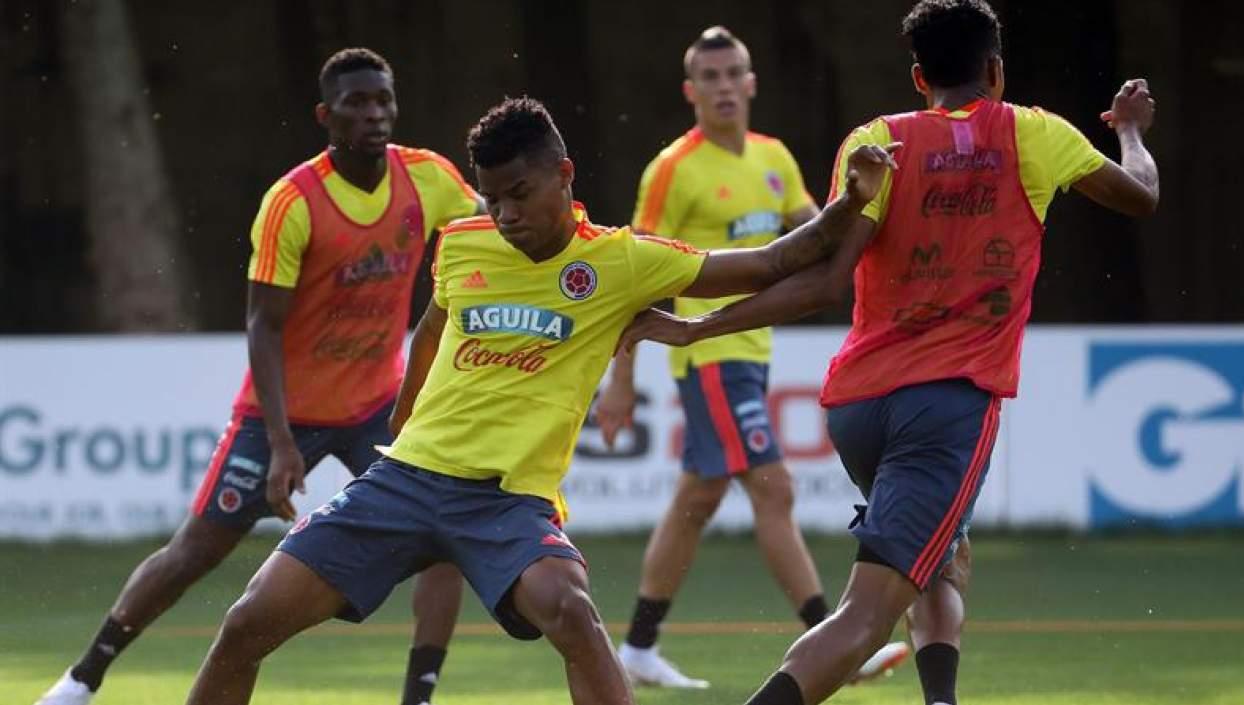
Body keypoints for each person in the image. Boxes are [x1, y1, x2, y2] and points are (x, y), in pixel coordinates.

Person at [178, 95, 897, 705]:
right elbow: (431, 325)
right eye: (492, 198)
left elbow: (775, 262)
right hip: (404, 481)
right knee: (247, 621)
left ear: (564, 175)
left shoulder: (622, 260)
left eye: (519, 194)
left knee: (571, 611)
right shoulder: (462, 244)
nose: (504, 214)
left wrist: (851, 203)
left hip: (507, 502)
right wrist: (402, 418)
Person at [618, 2, 1159, 704]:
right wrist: (1131, 131)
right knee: (865, 615)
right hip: (948, 405)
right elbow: (1142, 196)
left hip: (859, 406)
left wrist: (700, 325)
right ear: (995, 70)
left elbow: (824, 280)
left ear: (918, 77)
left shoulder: (877, 142)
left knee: (943, 559)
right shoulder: (1035, 132)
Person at [35, 48, 481, 705]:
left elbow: (496, 232)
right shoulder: (292, 201)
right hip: (284, 413)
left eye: (383, 100)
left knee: (441, 537)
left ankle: (418, 696)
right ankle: (83, 678)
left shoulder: (428, 178)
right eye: (357, 103)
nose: (374, 114)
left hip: (377, 408)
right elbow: (262, 326)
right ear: (326, 116)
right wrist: (280, 442)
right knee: (195, 551)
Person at [595, 25, 907, 689]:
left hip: (750, 351)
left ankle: (639, 647)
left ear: (751, 82)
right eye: (709, 78)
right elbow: (633, 274)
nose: (724, 87)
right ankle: (835, 642)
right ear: (690, 91)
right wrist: (621, 378)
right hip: (707, 355)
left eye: (733, 73)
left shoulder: (774, 157)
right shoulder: (673, 169)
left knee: (698, 497)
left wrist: (864, 194)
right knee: (774, 487)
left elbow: (821, 230)